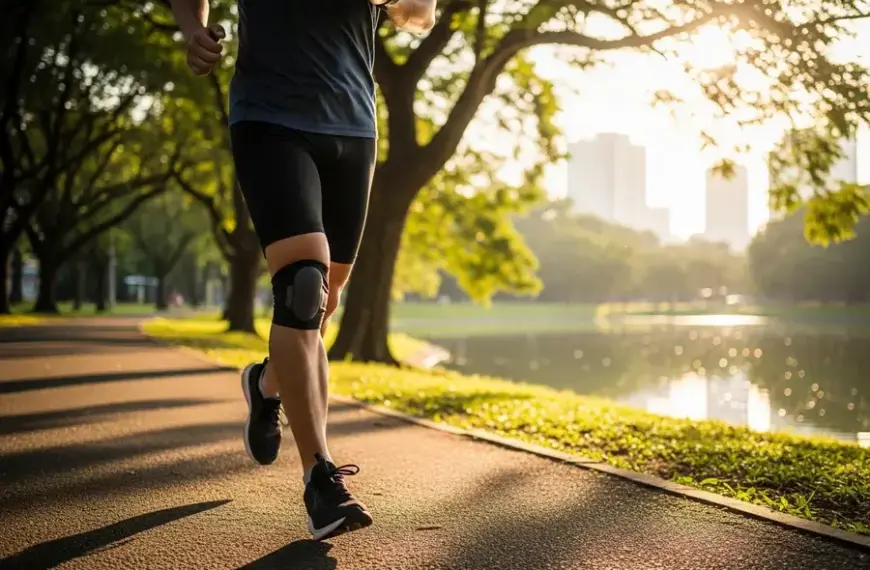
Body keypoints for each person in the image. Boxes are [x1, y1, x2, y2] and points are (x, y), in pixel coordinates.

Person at [169, 0, 436, 541]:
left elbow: (420, 13)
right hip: (269, 116)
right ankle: (321, 478)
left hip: (353, 124)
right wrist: (192, 28)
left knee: (322, 302)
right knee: (301, 288)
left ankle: (267, 381)